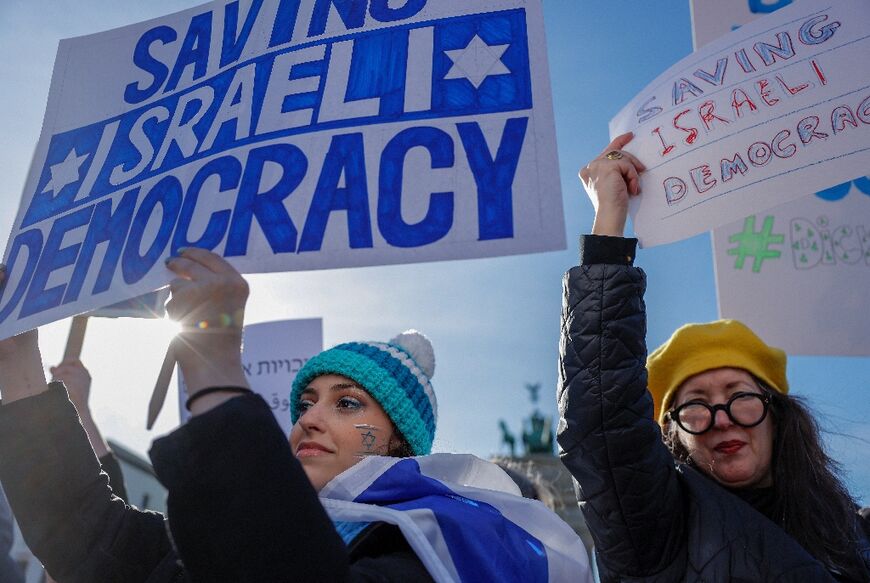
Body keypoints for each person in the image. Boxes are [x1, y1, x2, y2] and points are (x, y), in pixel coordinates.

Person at [0, 250, 589, 582]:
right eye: (305, 402)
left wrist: (214, 361)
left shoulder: (428, 552)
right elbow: (89, 536)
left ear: (397, 446)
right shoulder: (203, 538)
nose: (308, 418)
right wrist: (17, 356)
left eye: (347, 404)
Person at [557, 133, 870, 582]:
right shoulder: (657, 530)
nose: (721, 419)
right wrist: (610, 218)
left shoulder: (856, 533)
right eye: (695, 406)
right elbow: (601, 416)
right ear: (672, 437)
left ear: (778, 416)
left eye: (740, 396)